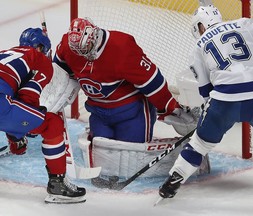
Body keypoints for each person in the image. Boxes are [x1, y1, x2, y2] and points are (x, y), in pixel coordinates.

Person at [53, 17, 210, 183]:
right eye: (79, 52)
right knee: (103, 156)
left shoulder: (121, 47)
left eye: (87, 49)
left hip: (132, 112)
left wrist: (171, 108)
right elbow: (57, 70)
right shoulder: (67, 46)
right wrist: (55, 92)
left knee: (133, 159)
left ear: (95, 36)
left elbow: (152, 81)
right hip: (98, 113)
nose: (85, 56)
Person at [158, 4, 253, 199]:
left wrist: (210, 119)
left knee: (200, 144)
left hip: (225, 100)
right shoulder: (243, 24)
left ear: (201, 26)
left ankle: (172, 183)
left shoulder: (198, 46)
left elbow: (206, 91)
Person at [0, 27, 86, 203]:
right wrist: (17, 136)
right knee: (51, 124)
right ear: (41, 48)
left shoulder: (6, 52)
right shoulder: (40, 60)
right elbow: (27, 100)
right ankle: (58, 184)